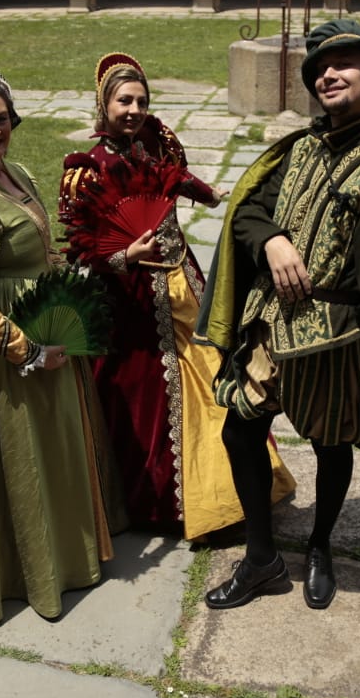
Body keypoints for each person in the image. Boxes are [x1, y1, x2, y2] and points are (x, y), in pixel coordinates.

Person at [195, 20, 360, 610]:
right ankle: (262, 558)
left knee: (330, 443)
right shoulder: (301, 148)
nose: (329, 72)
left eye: (346, 62)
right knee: (240, 427)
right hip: (271, 329)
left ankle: (320, 544)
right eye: (321, 65)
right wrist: (273, 240)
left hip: (338, 342)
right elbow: (247, 215)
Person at [59, 52, 294, 540]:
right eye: (124, 100)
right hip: (133, 306)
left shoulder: (149, 146)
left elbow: (172, 178)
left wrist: (212, 195)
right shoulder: (89, 170)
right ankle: (170, 504)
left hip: (181, 280)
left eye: (141, 100)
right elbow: (84, 252)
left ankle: (231, 490)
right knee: (152, 395)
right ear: (103, 103)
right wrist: (126, 254)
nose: (134, 109)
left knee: (213, 375)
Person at [0, 63, 119, 625]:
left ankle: (56, 550)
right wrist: (30, 352)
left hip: (41, 324)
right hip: (4, 355)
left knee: (49, 452)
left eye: (2, 120)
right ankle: (21, 569)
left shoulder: (15, 174)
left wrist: (67, 281)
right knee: (16, 455)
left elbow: (38, 248)